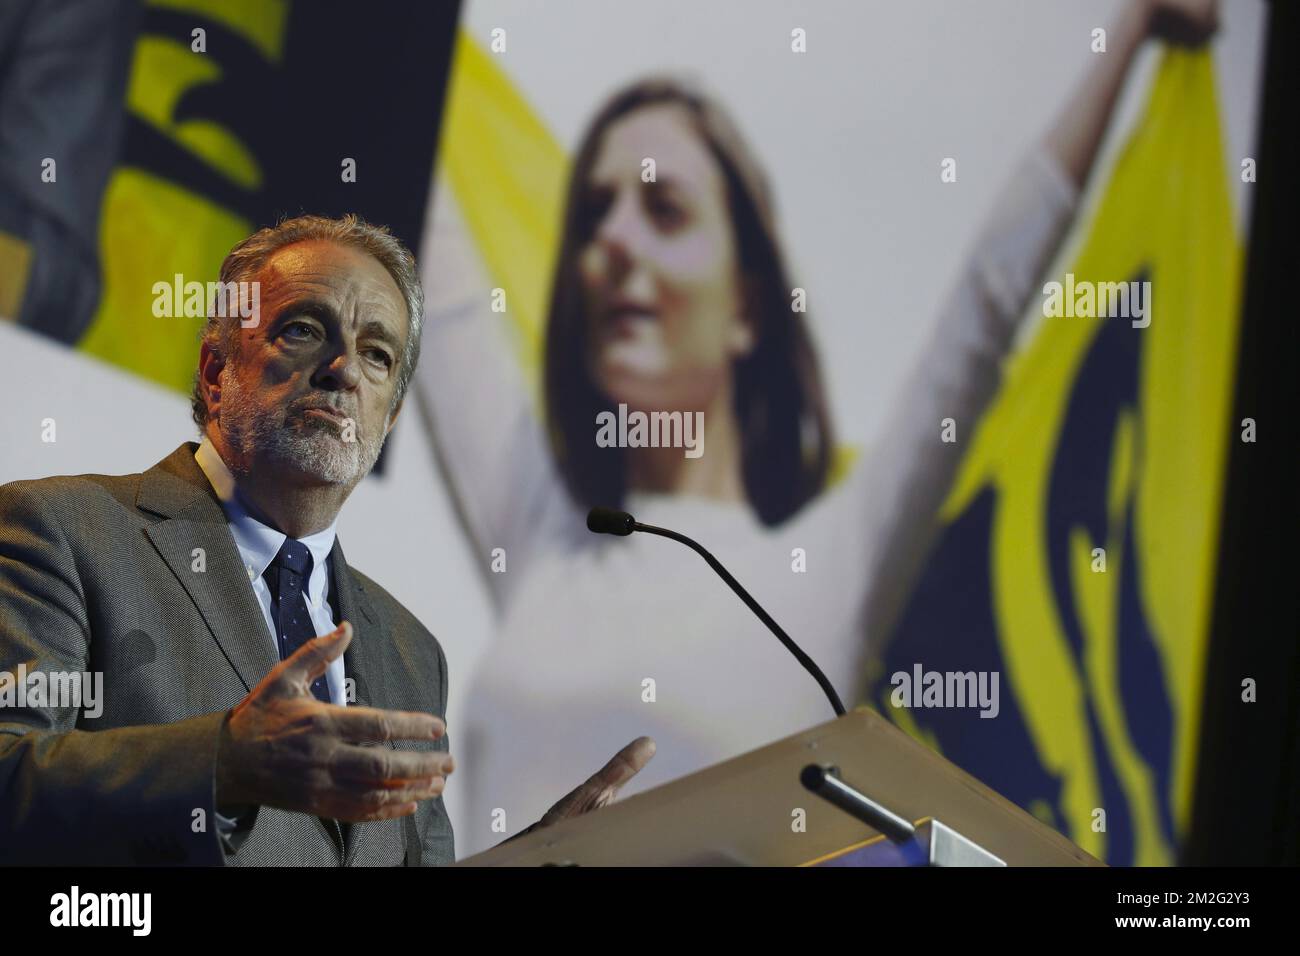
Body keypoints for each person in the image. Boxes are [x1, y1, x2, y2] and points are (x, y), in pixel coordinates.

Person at [414, 0, 1219, 854]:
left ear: (749, 307)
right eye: (595, 213)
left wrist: (1130, 28)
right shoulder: (540, 532)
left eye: (665, 209)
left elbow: (991, 296)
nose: (611, 240)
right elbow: (433, 252)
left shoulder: (826, 576)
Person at [0, 214, 654, 865]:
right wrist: (223, 765)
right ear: (216, 371)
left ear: (391, 415)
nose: (344, 371)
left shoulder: (410, 650)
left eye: (377, 354)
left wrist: (536, 857)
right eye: (305, 330)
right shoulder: (60, 532)